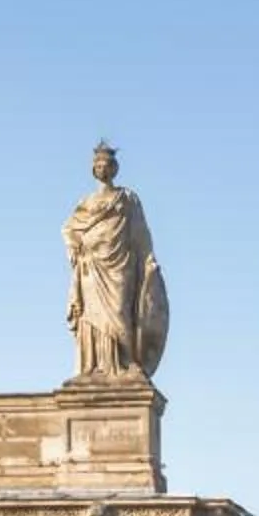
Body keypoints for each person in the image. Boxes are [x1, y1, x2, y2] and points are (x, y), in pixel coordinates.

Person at [64, 143, 168, 379]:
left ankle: (126, 360)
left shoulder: (127, 198)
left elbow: (140, 232)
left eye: (106, 164)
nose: (102, 168)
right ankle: (93, 366)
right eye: (98, 164)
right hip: (91, 265)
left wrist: (148, 259)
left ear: (114, 168)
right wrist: (75, 247)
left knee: (121, 310)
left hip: (120, 265)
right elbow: (69, 229)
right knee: (91, 315)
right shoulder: (86, 202)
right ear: (93, 169)